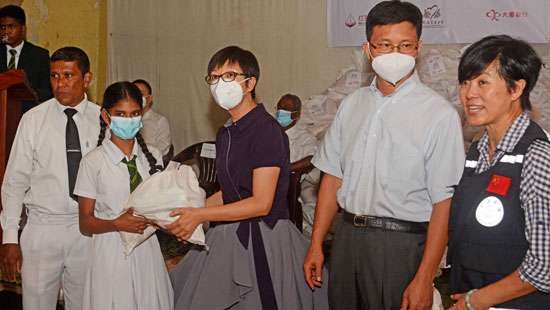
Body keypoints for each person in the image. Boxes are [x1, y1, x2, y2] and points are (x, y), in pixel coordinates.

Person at [303, 1, 465, 309]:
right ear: (368, 49)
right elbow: (332, 177)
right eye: (385, 45)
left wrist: (425, 276)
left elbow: (445, 202)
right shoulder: (352, 105)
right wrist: (316, 243)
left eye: (404, 45)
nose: (395, 54)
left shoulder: (438, 115)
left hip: (402, 244)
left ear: (418, 47)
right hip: (348, 237)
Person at [167, 45, 328, 309]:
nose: (220, 84)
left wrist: (200, 216)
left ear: (250, 82)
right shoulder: (227, 132)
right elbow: (229, 192)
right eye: (214, 77)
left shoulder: (266, 130)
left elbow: (260, 203)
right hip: (229, 232)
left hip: (264, 237)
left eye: (229, 76)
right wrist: (187, 215)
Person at [448, 35, 550, 310]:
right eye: (465, 82)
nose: (469, 94)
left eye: (482, 82)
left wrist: (476, 301)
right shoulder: (477, 152)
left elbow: (545, 267)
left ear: (516, 89)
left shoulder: (537, 157)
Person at [0, 46, 100, 310]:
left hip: (89, 230)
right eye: (54, 76)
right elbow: (15, 181)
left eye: (68, 76)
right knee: (36, 305)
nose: (60, 84)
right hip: (43, 227)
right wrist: (10, 237)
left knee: (87, 303)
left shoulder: (103, 119)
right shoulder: (33, 120)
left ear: (87, 79)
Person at [74, 81, 173, 310]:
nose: (128, 120)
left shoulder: (153, 157)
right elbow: (85, 222)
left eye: (134, 114)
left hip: (147, 249)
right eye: (120, 114)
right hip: (110, 251)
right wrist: (116, 223)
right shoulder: (93, 162)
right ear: (107, 117)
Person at [275, 93, 320, 237]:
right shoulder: (269, 132)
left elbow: (312, 158)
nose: (282, 112)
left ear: (297, 114)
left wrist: (286, 169)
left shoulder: (305, 137)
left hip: (290, 187)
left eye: (287, 109)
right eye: (280, 107)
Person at [0, 5, 52, 111]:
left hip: (29, 114)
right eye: (3, 27)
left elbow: (47, 91)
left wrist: (29, 93)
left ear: (22, 28)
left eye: (11, 26)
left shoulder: (39, 55)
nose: (6, 32)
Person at [132, 79, 172, 157]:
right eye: (133, 93)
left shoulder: (160, 121)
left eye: (140, 93)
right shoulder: (124, 121)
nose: (136, 97)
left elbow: (163, 149)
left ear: (149, 99)